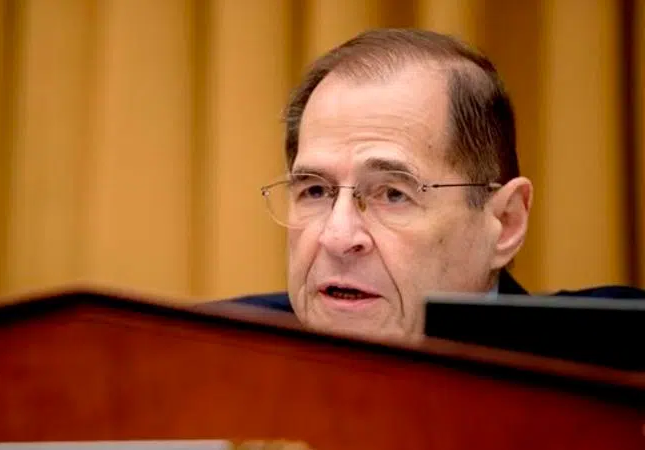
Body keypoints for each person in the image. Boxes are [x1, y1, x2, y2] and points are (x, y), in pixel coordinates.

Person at [217, 28, 645, 339]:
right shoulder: (209, 358)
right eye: (315, 191)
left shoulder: (614, 370)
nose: (337, 236)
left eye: (392, 194)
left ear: (506, 223)